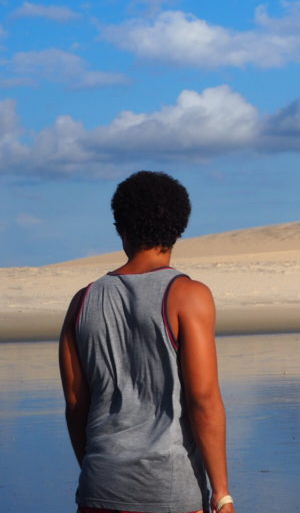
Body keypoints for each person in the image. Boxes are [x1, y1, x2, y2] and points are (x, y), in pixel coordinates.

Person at [58, 171, 236, 513]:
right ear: (180, 227)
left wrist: (98, 469)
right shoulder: (188, 296)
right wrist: (222, 492)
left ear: (120, 226)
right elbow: (203, 399)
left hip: (99, 486)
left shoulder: (82, 302)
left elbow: (76, 401)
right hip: (169, 489)